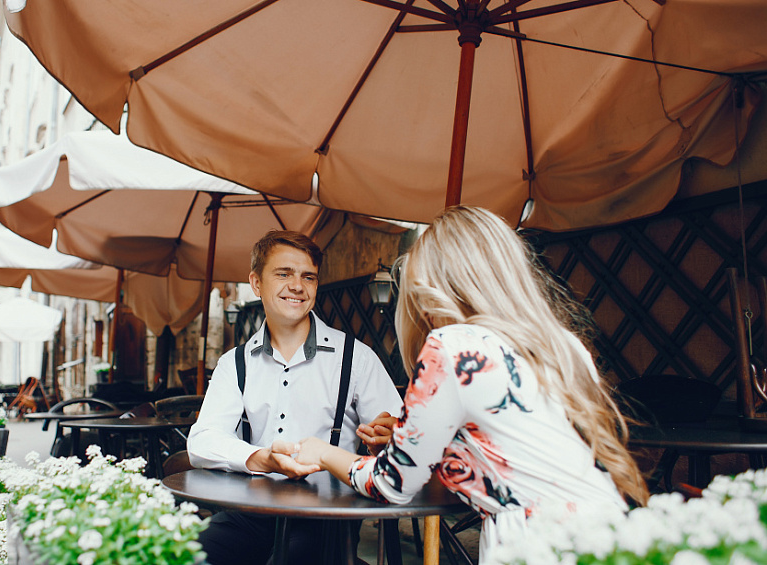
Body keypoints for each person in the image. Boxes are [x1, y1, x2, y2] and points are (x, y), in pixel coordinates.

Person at [292, 206, 649, 563]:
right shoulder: (560, 344)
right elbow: (512, 451)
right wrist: (412, 438)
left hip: (538, 544)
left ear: (432, 289)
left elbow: (391, 483)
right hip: (610, 534)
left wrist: (323, 452)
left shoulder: (453, 348)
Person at [186, 230, 403, 565]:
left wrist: (388, 439)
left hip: (329, 517)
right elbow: (202, 441)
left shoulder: (355, 358)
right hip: (251, 511)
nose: (297, 286)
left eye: (308, 277)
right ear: (256, 283)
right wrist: (261, 458)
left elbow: (404, 442)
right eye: (284, 274)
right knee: (187, 555)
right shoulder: (235, 362)